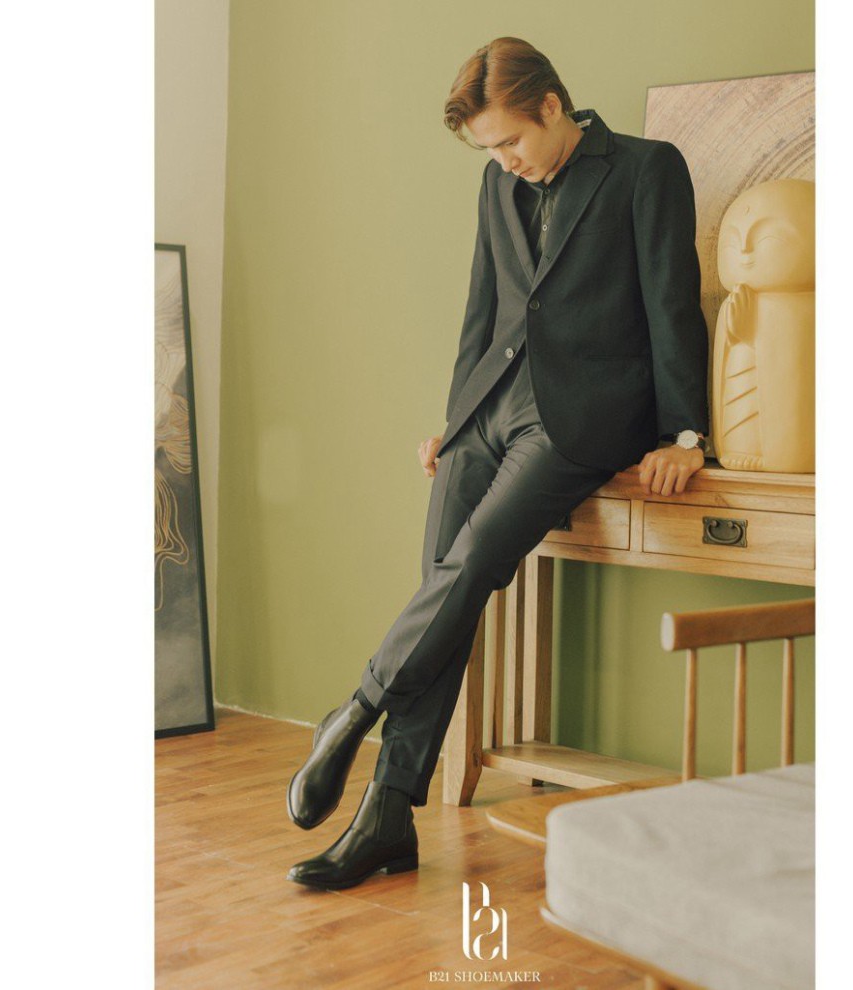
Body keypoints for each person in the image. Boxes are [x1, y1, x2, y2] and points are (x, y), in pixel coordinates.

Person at [285, 36, 709, 891]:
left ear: (552, 105)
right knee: (443, 587)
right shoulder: (497, 184)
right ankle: (387, 816)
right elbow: (480, 310)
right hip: (488, 411)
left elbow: (672, 302)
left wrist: (685, 434)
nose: (504, 160)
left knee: (472, 563)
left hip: (579, 419)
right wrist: (453, 424)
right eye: (489, 149)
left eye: (510, 140)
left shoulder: (645, 169)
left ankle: (357, 708)